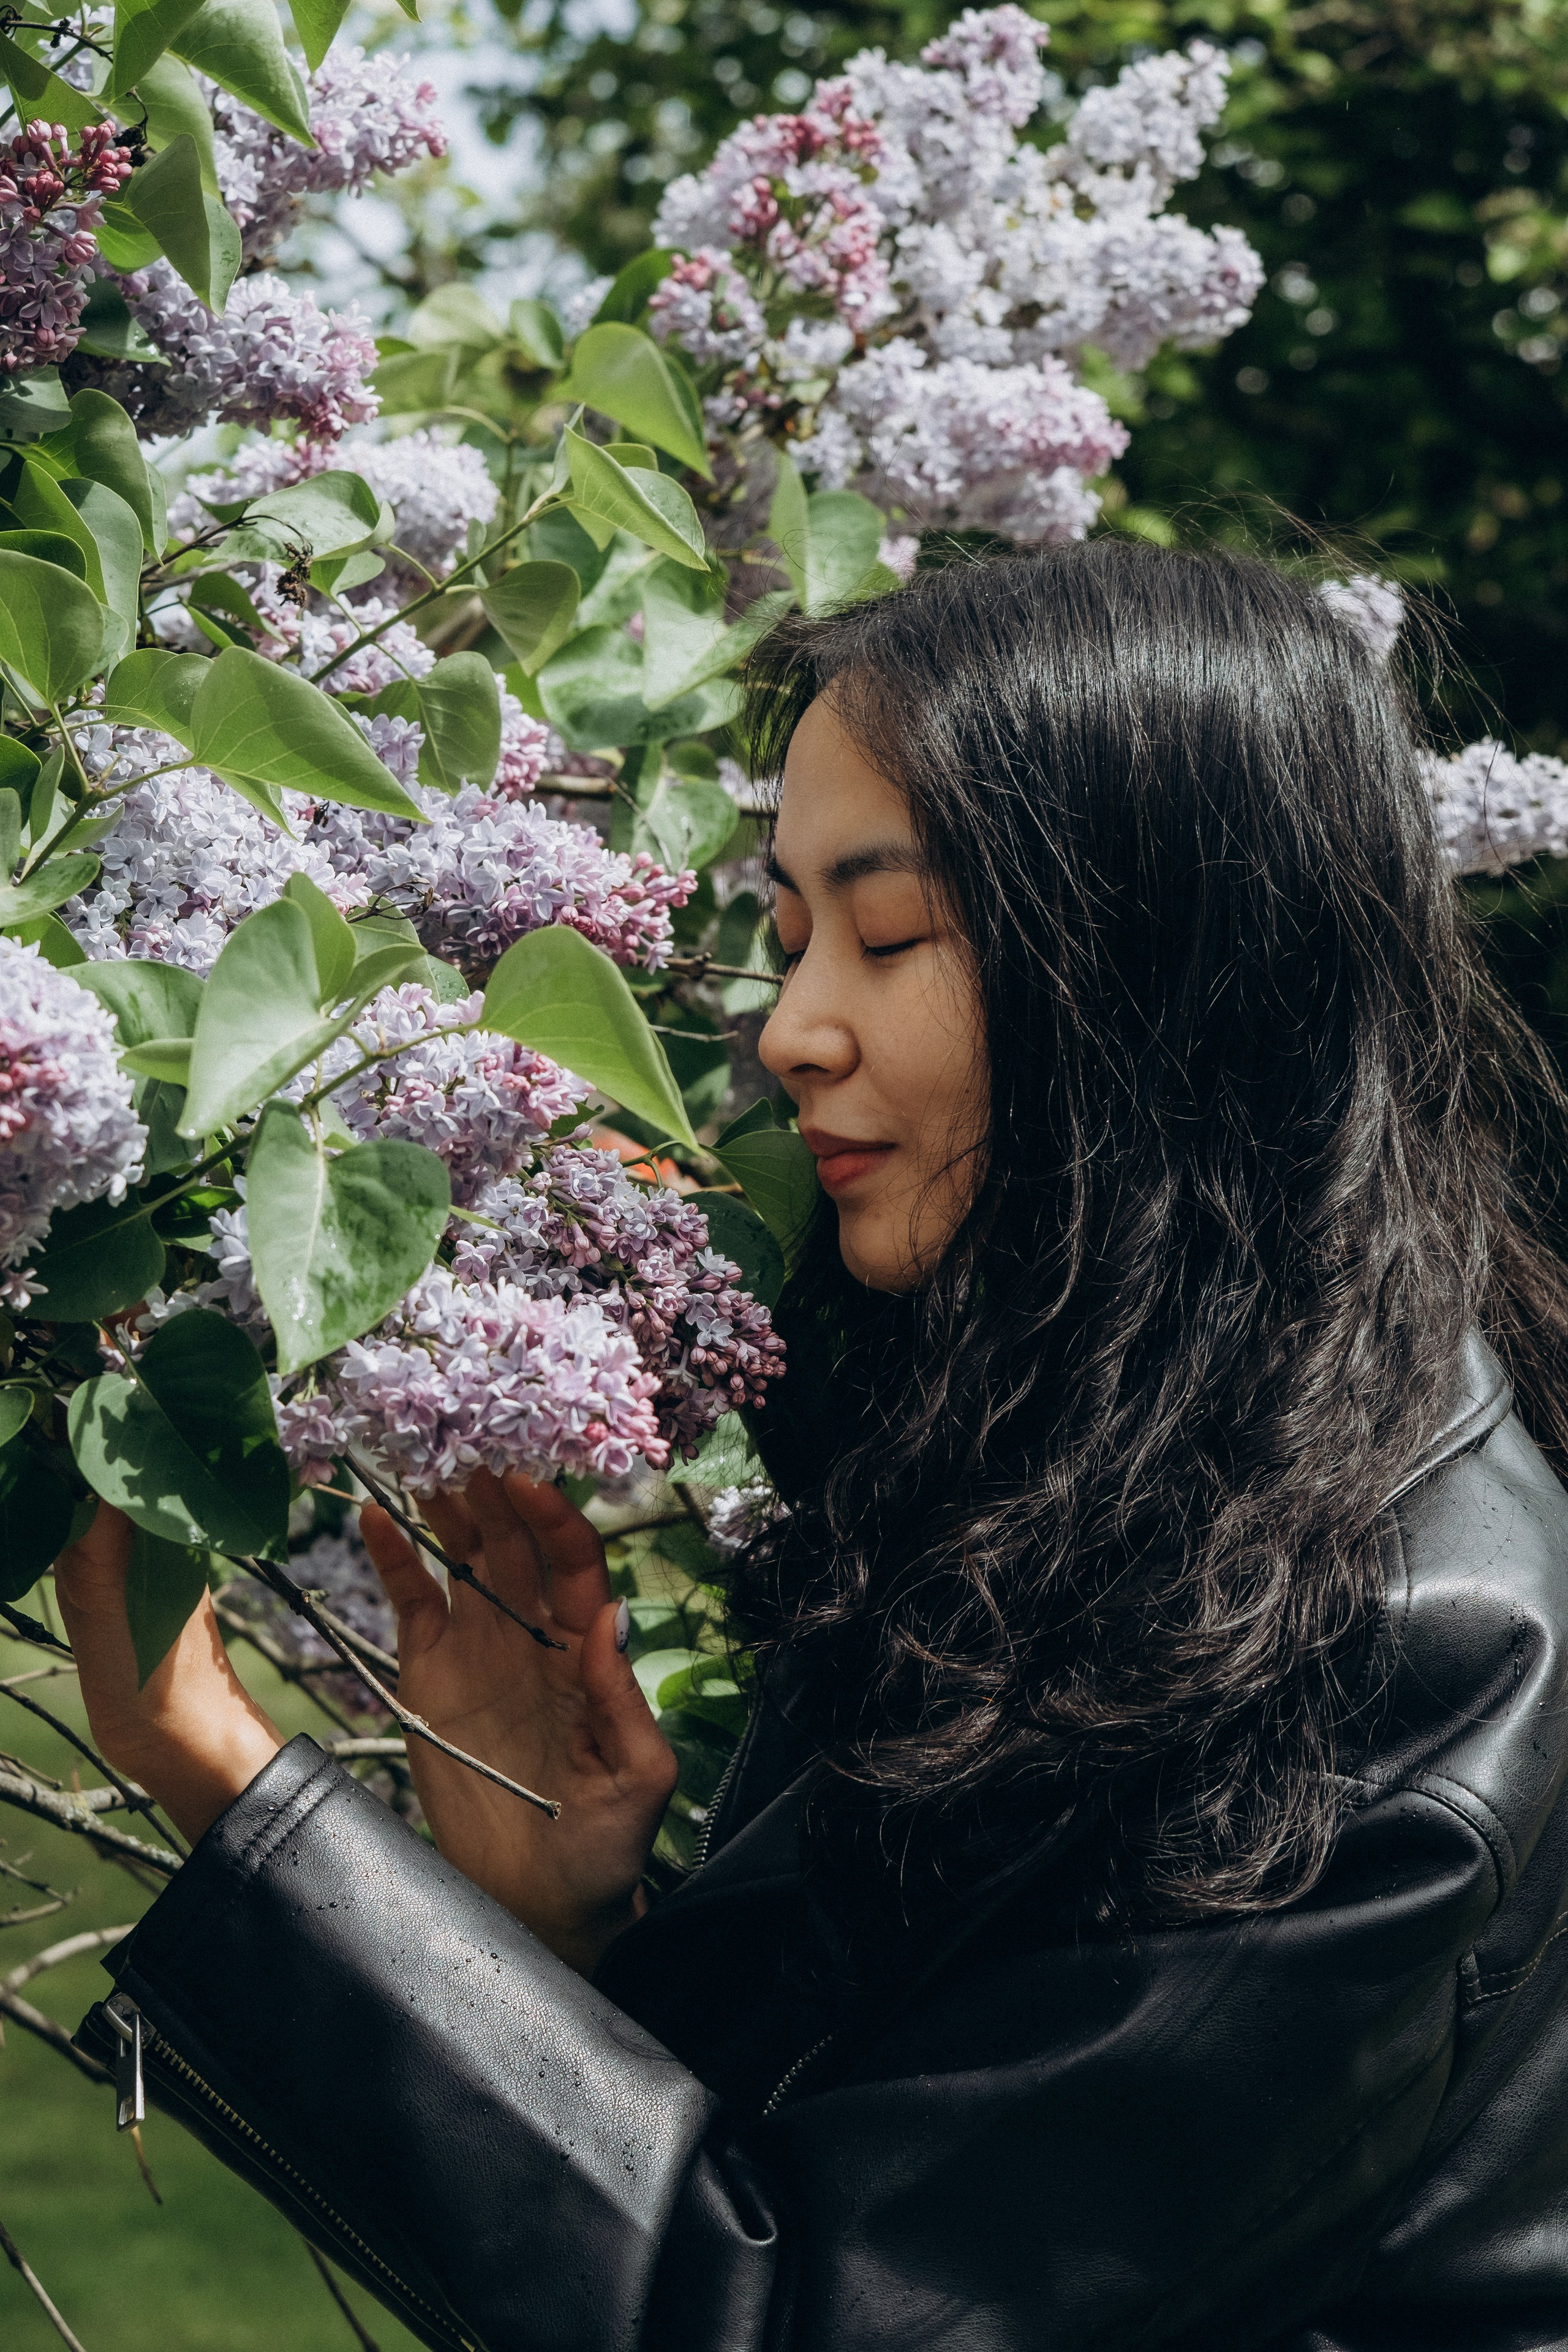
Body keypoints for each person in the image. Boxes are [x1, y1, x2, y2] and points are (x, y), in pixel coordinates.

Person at [53, 540, 1568, 2351]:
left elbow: (819, 2317)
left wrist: (226, 1776)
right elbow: (859, 2158)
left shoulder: (1403, 1650)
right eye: (787, 938)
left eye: (891, 933)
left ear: (1171, 964)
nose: (787, 1033)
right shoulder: (1093, 1458)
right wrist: (561, 1934)